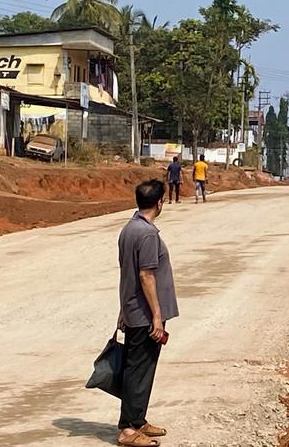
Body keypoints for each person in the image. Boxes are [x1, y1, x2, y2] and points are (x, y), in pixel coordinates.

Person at [116, 179, 179, 447]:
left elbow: (126, 273)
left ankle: (138, 420)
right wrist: (156, 316)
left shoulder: (128, 229)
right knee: (138, 370)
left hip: (132, 310)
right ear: (159, 202)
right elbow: (145, 275)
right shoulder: (147, 234)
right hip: (144, 315)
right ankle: (128, 430)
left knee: (140, 367)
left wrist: (122, 310)